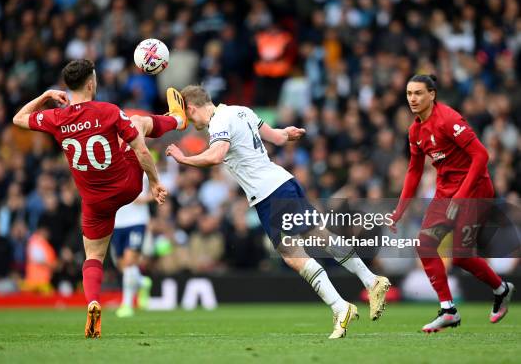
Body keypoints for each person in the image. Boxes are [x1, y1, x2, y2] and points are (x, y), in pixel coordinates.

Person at [165, 85, 390, 339]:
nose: (188, 121)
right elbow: (278, 137)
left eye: (187, 115)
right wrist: (288, 133)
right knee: (320, 237)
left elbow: (217, 156)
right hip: (283, 182)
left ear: (192, 107)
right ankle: (371, 281)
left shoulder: (218, 123)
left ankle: (341, 307)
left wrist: (184, 159)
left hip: (270, 193)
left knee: (293, 255)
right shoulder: (241, 111)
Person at [12, 59, 187, 338]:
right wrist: (154, 182)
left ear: (67, 88)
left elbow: (18, 119)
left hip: (94, 200)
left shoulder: (57, 118)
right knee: (138, 123)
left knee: (94, 255)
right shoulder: (108, 111)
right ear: (92, 83)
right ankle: (178, 118)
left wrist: (45, 96)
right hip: (126, 186)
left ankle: (93, 302)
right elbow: (141, 151)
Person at [388, 74, 514, 333]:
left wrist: (461, 196)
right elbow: (414, 172)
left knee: (460, 256)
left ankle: (501, 290)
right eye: (409, 93)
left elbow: (481, 155)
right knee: (425, 246)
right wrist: (399, 211)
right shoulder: (415, 130)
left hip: (475, 190)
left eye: (419, 93)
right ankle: (448, 310)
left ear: (432, 94)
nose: (413, 98)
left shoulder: (449, 119)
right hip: (446, 192)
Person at [111, 174, 153, 318]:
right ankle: (142, 282)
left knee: (129, 261)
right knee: (122, 265)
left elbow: (156, 189)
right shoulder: (111, 163)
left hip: (137, 221)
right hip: (117, 222)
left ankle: (127, 304)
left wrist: (146, 197)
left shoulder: (143, 165)